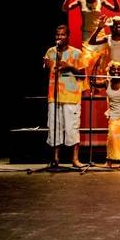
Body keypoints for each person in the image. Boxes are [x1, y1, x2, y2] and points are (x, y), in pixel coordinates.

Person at [43, 25, 86, 167]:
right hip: (54, 96)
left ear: (68, 36)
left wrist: (70, 67)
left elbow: (82, 75)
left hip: (71, 96)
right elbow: (48, 71)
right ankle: (55, 159)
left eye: (62, 35)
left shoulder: (77, 53)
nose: (59, 38)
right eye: (57, 35)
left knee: (72, 127)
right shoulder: (50, 51)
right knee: (55, 127)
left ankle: (75, 159)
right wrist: (47, 65)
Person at [62, 0, 120, 72]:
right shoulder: (81, 0)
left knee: (101, 62)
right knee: (87, 61)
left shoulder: (101, 0)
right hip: (87, 36)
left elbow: (116, 9)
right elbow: (65, 8)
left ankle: (100, 85)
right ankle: (89, 85)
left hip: (99, 34)